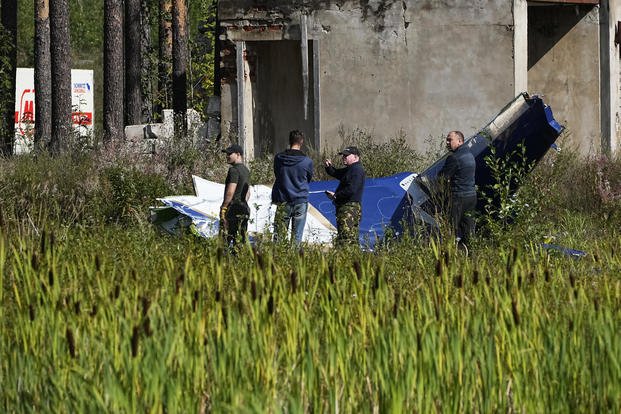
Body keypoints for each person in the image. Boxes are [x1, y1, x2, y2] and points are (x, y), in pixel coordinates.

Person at [271, 130, 314, 244]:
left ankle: (278, 259)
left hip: (283, 199)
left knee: (279, 236)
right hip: (300, 200)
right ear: (301, 142)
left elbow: (277, 174)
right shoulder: (307, 161)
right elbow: (308, 178)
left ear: (289, 141)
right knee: (297, 236)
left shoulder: (279, 158)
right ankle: (294, 259)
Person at [438, 130, 476, 247]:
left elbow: (442, 177)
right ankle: (470, 255)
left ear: (460, 141)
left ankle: (449, 254)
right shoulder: (470, 155)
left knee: (450, 229)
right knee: (468, 229)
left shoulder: (454, 157)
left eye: (450, 140)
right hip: (471, 197)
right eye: (447, 140)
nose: (447, 142)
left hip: (459, 198)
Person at [324, 146, 366, 246]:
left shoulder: (356, 170)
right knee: (349, 238)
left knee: (346, 238)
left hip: (349, 208)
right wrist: (329, 167)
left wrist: (336, 195)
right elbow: (336, 173)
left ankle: (346, 258)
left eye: (346, 155)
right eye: (343, 155)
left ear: (356, 157)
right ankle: (352, 258)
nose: (343, 157)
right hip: (347, 207)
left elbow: (352, 189)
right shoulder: (350, 169)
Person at [220, 144, 251, 248]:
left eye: (229, 154)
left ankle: (225, 262)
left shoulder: (234, 170)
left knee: (226, 239)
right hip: (244, 208)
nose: (227, 156)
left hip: (233, 209)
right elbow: (248, 193)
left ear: (238, 154)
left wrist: (224, 207)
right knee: (241, 241)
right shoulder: (246, 170)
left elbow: (230, 192)